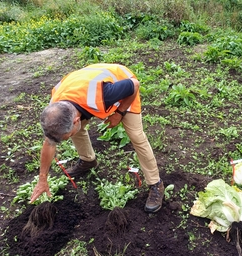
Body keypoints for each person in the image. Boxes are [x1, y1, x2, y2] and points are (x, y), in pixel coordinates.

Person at [30, 63, 164, 213]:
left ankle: (155, 184)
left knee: (136, 136)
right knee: (77, 131)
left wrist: (119, 113)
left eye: (67, 137)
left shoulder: (104, 95)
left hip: (123, 85)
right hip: (84, 90)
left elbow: (134, 85)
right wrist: (42, 179)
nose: (67, 140)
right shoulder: (55, 109)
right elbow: (49, 143)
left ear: (76, 120)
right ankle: (88, 161)